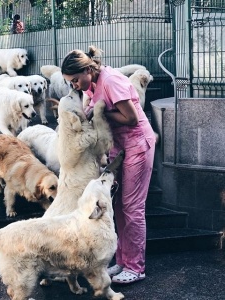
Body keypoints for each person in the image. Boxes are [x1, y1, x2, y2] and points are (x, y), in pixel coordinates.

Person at [61, 45, 156, 284]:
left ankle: (136, 267)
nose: (74, 85)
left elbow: (131, 117)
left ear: (86, 70)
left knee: (132, 207)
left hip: (137, 145)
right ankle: (123, 262)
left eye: (74, 80)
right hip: (119, 147)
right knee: (117, 205)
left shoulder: (111, 81)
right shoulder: (91, 85)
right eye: (70, 83)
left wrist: (100, 113)